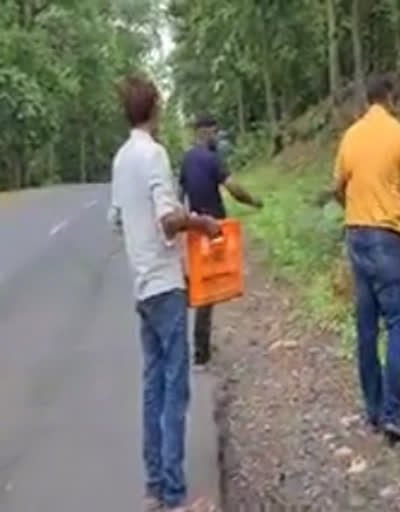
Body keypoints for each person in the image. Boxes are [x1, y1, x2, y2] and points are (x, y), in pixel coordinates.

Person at [108, 75, 220, 512]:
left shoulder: (120, 160)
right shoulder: (153, 154)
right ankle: (174, 493)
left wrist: (146, 238)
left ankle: (154, 485)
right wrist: (200, 223)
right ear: (153, 110)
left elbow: (116, 219)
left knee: (153, 386)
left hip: (141, 286)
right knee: (176, 390)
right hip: (166, 286)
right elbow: (167, 222)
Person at [333, 76, 400, 443]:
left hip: (356, 234)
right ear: (390, 98)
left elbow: (338, 187)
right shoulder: (399, 134)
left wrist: (354, 211)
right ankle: (392, 413)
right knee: (399, 322)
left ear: (366, 100)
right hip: (388, 236)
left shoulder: (350, 136)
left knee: (367, 326)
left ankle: (373, 410)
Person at [178, 114, 262, 368]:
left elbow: (179, 195)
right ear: (205, 132)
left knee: (202, 282)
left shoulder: (186, 159)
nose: (217, 137)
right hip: (214, 229)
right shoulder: (213, 159)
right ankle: (201, 351)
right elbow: (234, 188)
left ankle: (198, 344)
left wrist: (183, 223)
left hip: (194, 229)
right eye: (214, 132)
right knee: (211, 286)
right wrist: (254, 201)